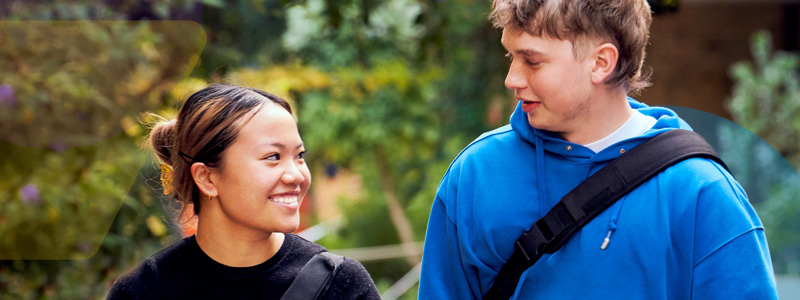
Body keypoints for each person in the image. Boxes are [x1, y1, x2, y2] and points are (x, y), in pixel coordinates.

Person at [418, 0, 778, 299]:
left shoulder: (701, 193)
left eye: (531, 60)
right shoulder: (476, 175)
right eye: (510, 56)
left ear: (601, 63)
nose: (512, 78)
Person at [108, 84, 381, 299]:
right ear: (207, 178)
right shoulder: (143, 292)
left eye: (300, 155)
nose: (297, 175)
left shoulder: (340, 285)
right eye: (273, 156)